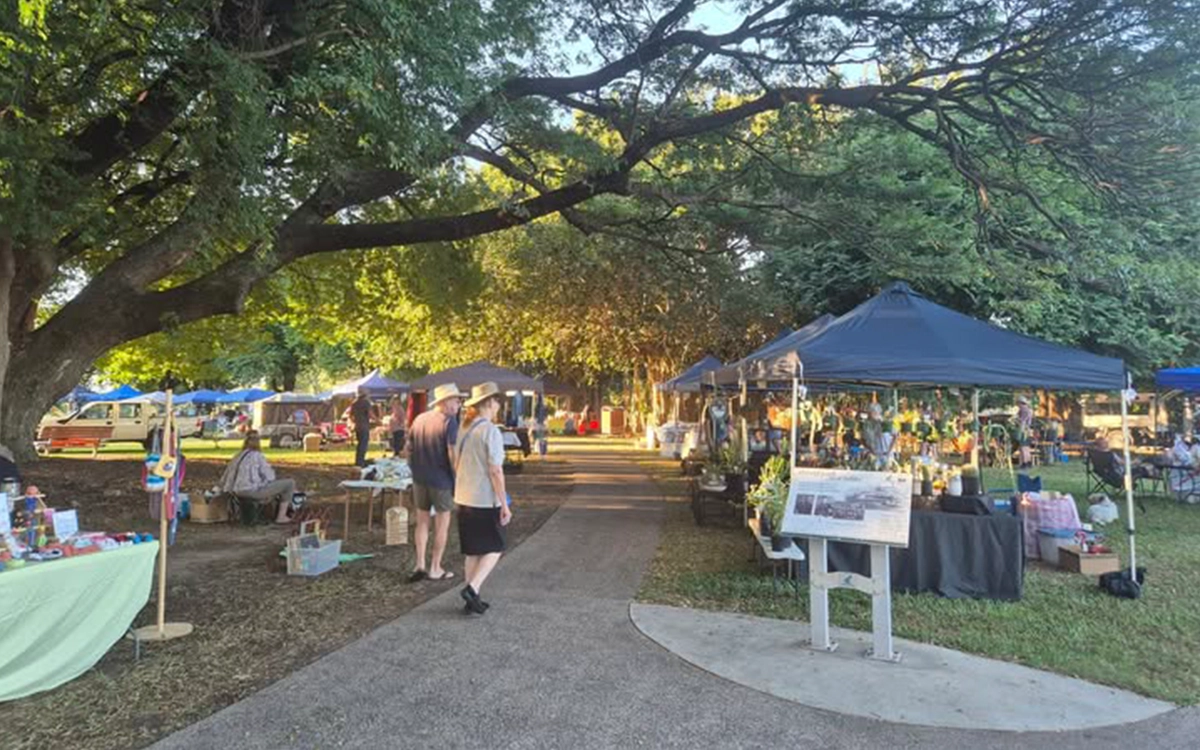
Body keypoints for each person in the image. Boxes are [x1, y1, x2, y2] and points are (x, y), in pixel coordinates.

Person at [454, 382, 512, 615]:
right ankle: (472, 588)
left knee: (473, 550)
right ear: (489, 403)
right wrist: (504, 503)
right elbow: (495, 470)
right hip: (485, 499)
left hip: (463, 496)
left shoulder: (464, 428)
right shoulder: (490, 431)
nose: (499, 406)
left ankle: (472, 598)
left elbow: (455, 461)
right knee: (496, 547)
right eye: (497, 401)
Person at [407, 383, 462, 582]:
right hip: (441, 480)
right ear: (445, 402)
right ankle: (435, 568)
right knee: (442, 525)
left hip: (420, 478)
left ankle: (420, 564)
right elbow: (451, 453)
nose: (458, 404)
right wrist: (459, 477)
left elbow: (408, 449)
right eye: (456, 400)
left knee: (421, 522)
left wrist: (414, 469)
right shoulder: (449, 422)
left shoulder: (420, 419)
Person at [219, 431, 296, 523]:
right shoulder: (257, 456)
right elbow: (270, 477)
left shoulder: (237, 456)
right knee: (289, 483)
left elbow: (225, 477)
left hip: (233, 492)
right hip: (250, 491)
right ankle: (281, 517)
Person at [351, 387, 373, 467]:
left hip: (357, 426)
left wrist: (356, 421)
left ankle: (358, 461)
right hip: (364, 426)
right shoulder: (366, 402)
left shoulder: (354, 403)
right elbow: (370, 414)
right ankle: (361, 462)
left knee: (359, 444)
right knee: (363, 444)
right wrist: (378, 420)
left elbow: (351, 415)